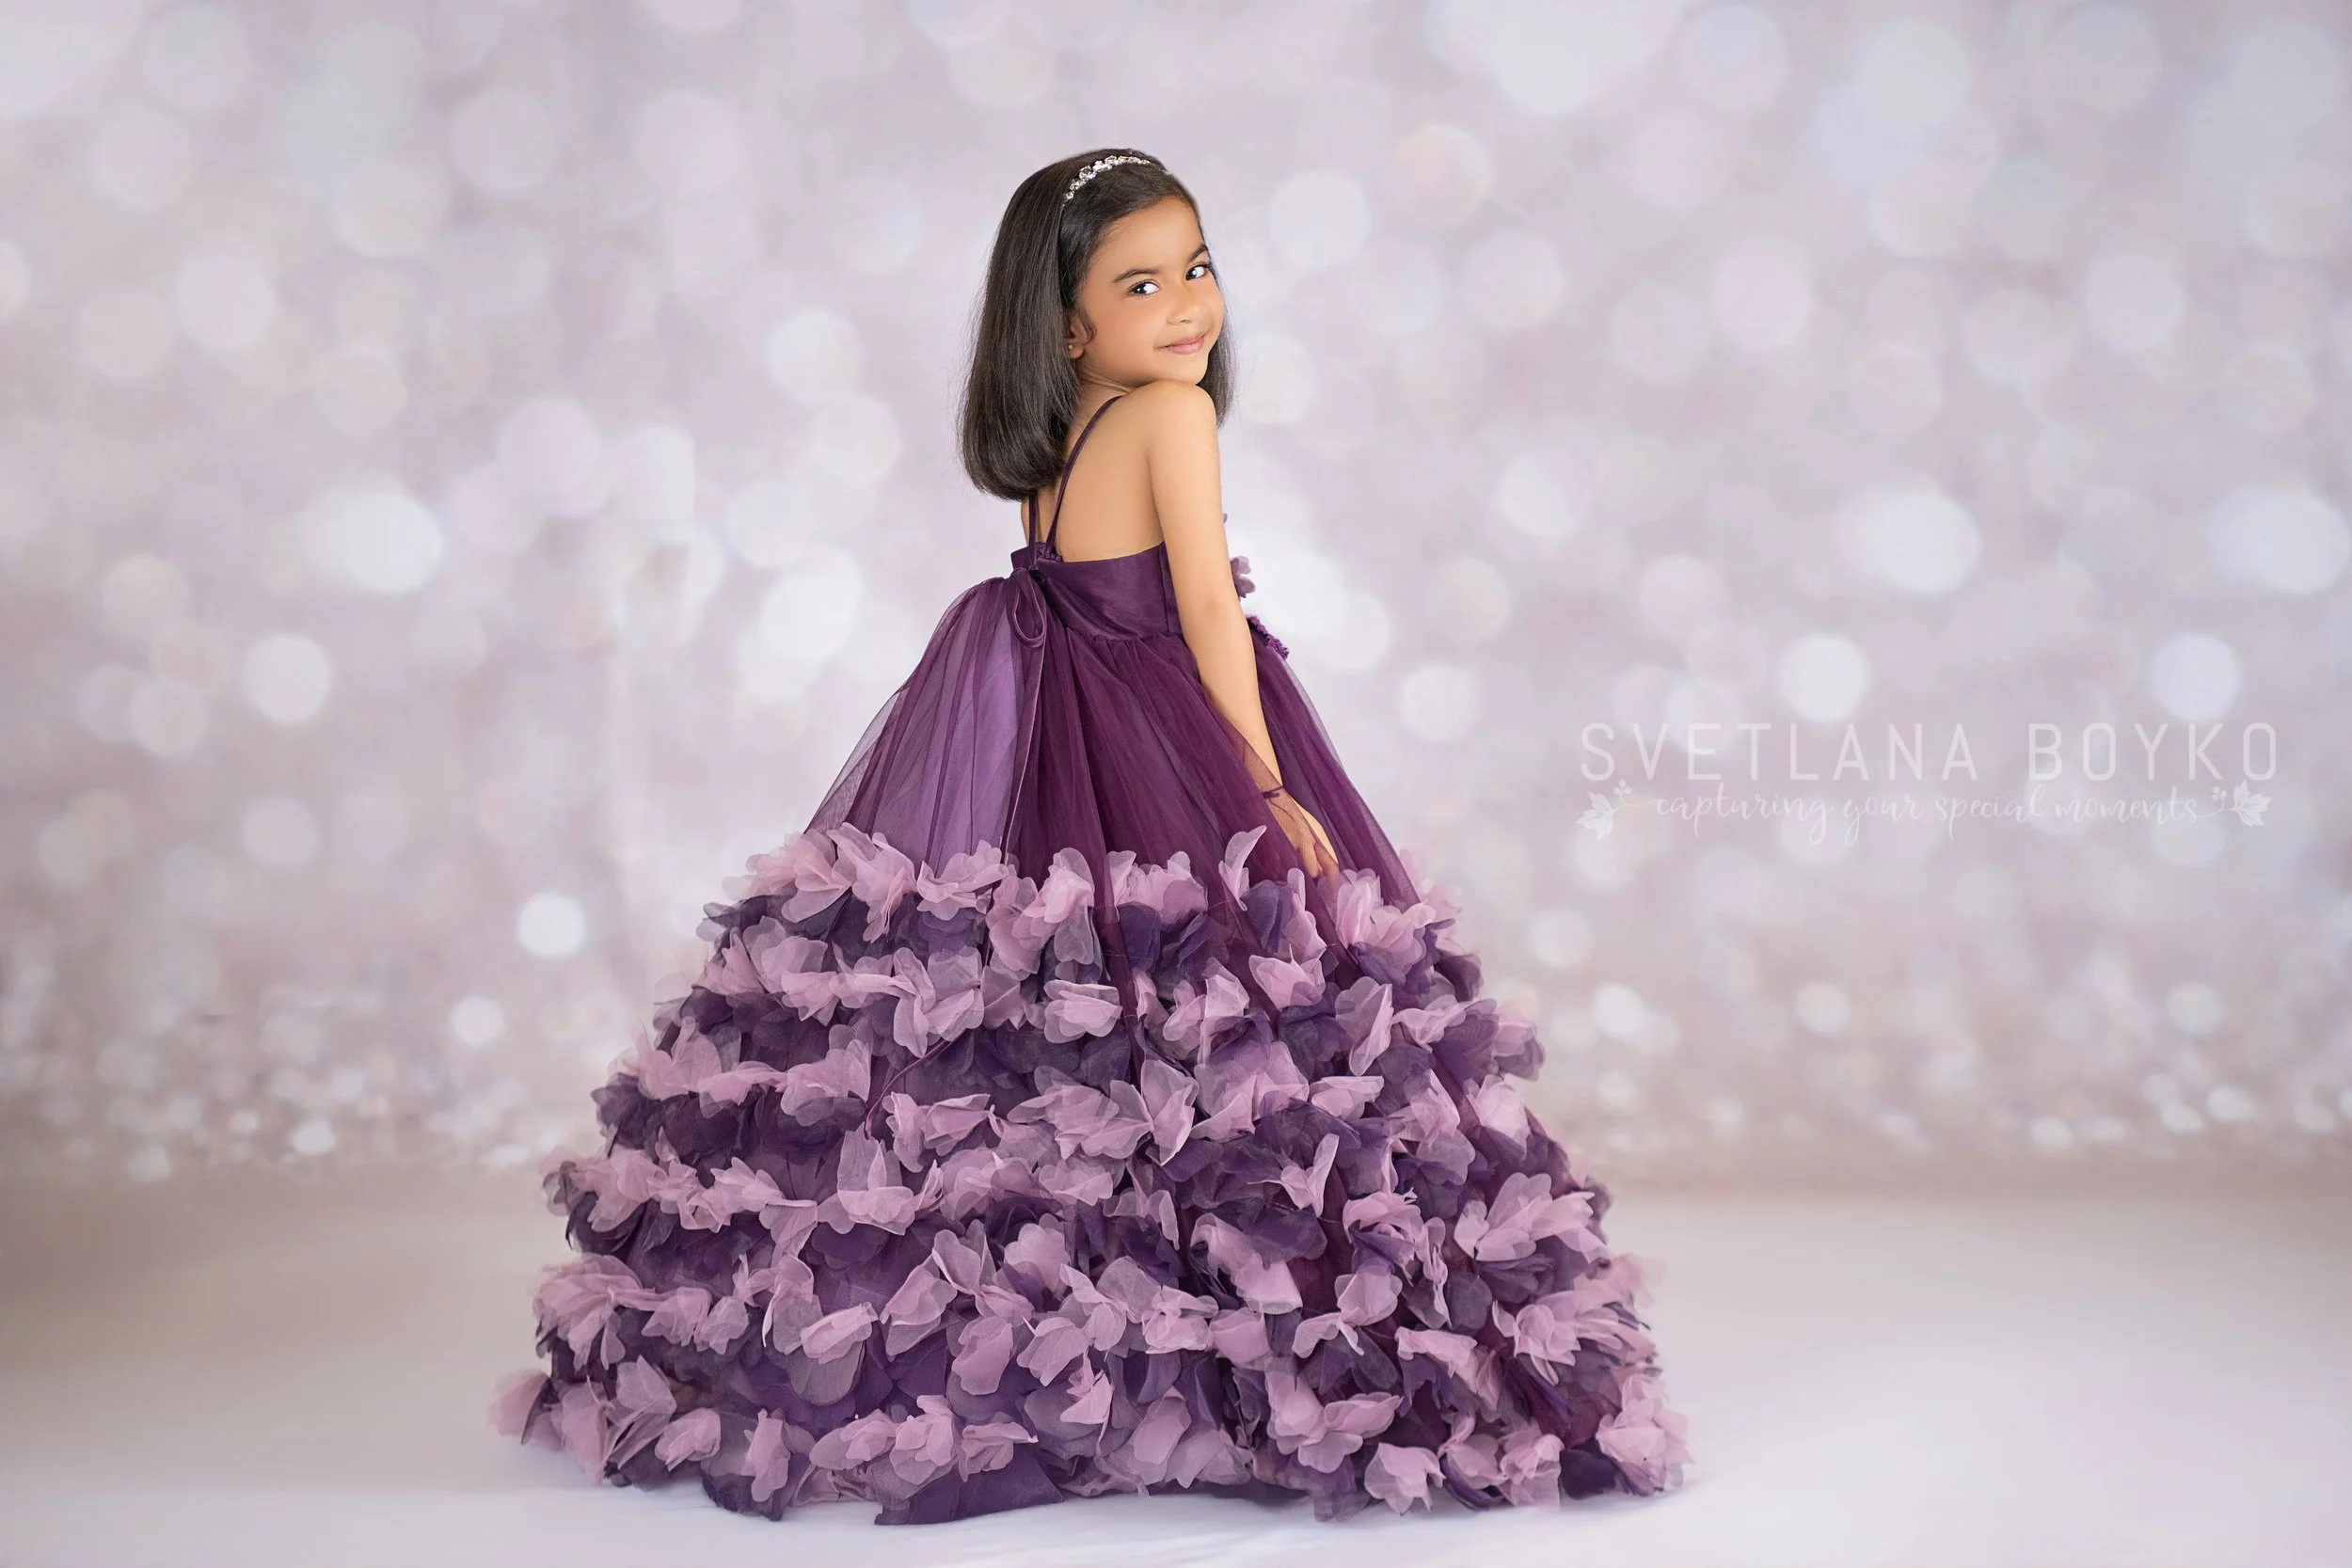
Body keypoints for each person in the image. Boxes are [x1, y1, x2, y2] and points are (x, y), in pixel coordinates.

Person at [489, 149, 1687, 1525]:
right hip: (1161, 731)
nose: (1186, 305)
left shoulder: (1064, 439)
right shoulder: (1169, 416)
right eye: (1140, 282)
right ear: (1066, 323)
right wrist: (1257, 769)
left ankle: (1117, 1336)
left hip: (1070, 743)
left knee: (1074, 1044)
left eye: (1197, 268)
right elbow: (1204, 609)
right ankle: (1277, 1340)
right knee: (1238, 1032)